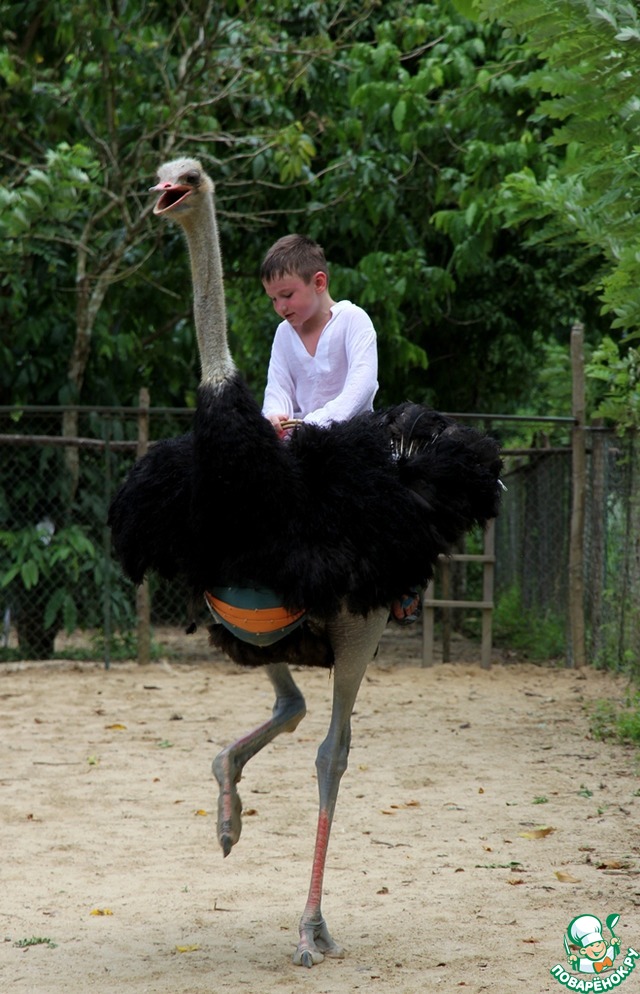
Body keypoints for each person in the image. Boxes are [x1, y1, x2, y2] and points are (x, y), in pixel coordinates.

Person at [260, 233, 421, 625]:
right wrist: (275, 417)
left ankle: (404, 578)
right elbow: (277, 388)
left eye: (287, 295)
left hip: (356, 442)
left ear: (319, 282)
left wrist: (313, 424)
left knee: (396, 502)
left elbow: (361, 387)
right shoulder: (283, 335)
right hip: (300, 447)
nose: (281, 307)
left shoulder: (354, 321)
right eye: (274, 300)